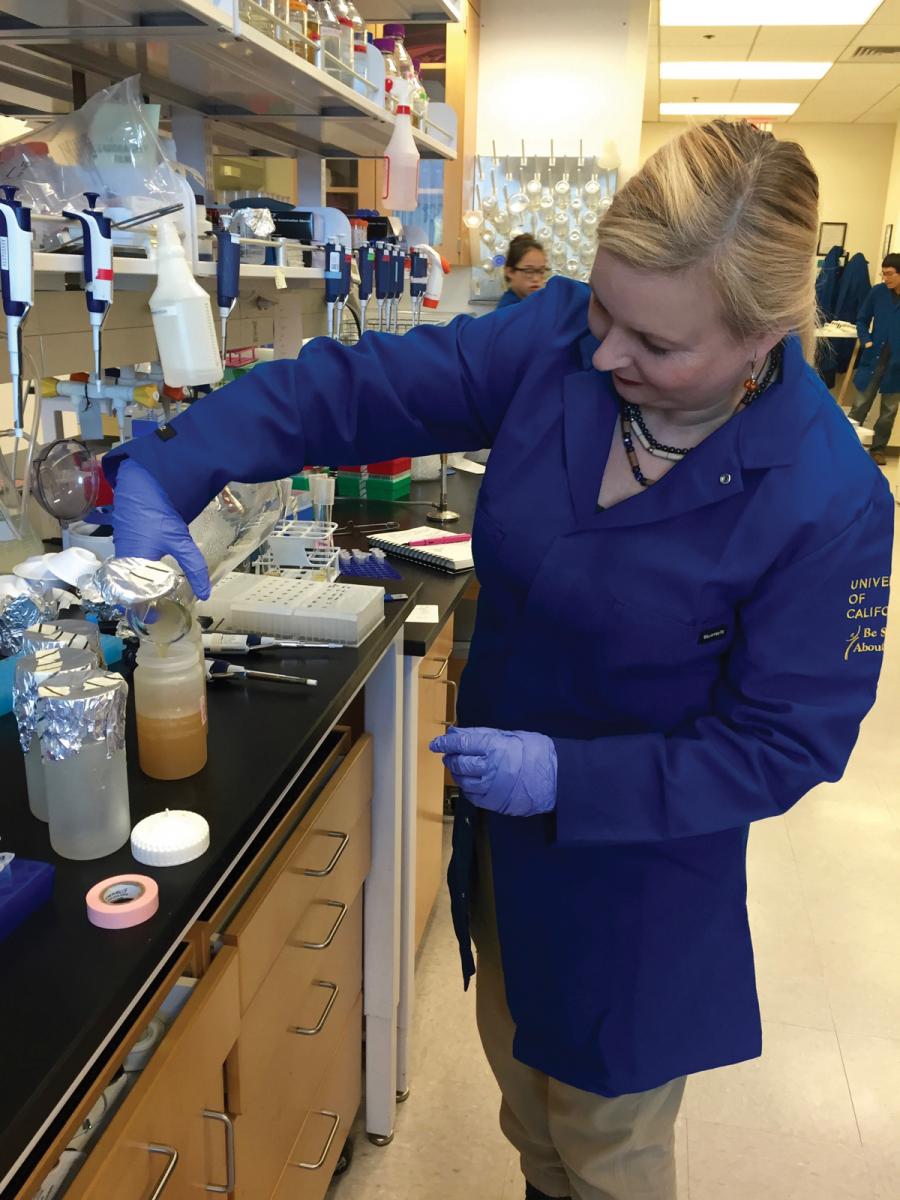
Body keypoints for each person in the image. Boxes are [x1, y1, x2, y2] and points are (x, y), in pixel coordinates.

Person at [106, 121, 893, 1200]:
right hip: (502, 834)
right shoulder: (561, 343)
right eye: (605, 310)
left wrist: (573, 777)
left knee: (607, 1149)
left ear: (762, 341)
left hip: (639, 872)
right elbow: (363, 390)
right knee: (528, 1118)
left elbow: (787, 743)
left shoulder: (827, 499)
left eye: (655, 346)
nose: (606, 354)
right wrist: (180, 463)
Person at [848, 252, 900, 465]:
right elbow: (861, 319)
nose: (884, 278)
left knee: (888, 411)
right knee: (860, 404)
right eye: (883, 273)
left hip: (897, 364)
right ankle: (848, 444)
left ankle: (878, 449)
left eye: (889, 274)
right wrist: (866, 340)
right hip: (874, 357)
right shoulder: (878, 293)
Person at [497, 234, 547, 309]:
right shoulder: (508, 311)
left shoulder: (538, 303)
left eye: (541, 271)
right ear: (510, 272)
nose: (536, 279)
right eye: (529, 271)